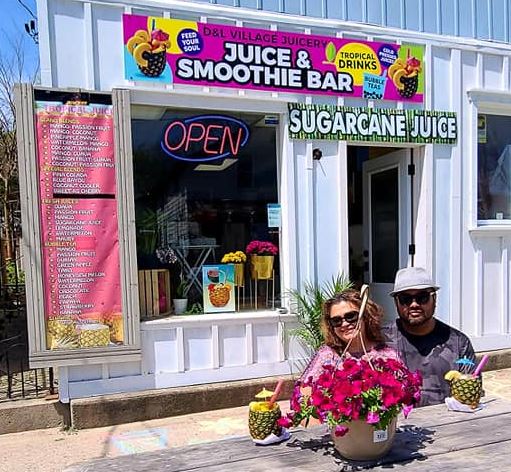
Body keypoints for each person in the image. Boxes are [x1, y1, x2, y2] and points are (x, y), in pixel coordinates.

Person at [385, 266, 476, 407]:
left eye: (422, 297)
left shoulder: (459, 342)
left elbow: (471, 395)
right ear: (396, 302)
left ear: (434, 299)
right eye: (405, 299)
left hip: (448, 423)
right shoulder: (381, 340)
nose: (414, 304)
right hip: (395, 425)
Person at [300, 288, 399, 383]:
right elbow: (303, 389)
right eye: (336, 321)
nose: (344, 324)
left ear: (365, 316)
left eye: (351, 316)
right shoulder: (326, 355)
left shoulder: (387, 355)